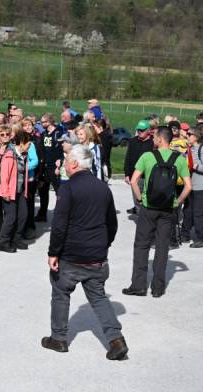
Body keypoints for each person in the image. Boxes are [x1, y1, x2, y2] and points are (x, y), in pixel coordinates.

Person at [42, 144, 127, 360]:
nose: (65, 165)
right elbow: (112, 224)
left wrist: (53, 253)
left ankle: (59, 338)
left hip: (71, 255)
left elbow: (59, 225)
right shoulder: (103, 188)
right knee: (98, 297)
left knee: (60, 293)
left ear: (74, 163)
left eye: (68, 160)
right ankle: (116, 339)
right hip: (96, 256)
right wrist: (104, 245)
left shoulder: (68, 188)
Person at [123, 126, 192, 298]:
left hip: (148, 207)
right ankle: (158, 288)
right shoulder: (179, 159)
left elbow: (133, 181)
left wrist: (139, 199)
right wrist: (178, 201)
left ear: (160, 139)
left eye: (155, 137)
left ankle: (138, 286)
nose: (153, 140)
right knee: (162, 247)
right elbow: (189, 187)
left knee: (141, 246)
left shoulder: (147, 156)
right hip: (168, 209)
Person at [0, 124, 31, 253]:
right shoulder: (10, 154)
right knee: (11, 217)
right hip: (9, 191)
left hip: (20, 190)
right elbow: (4, 175)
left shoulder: (23, 155)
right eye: (28, 144)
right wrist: (5, 192)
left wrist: (26, 191)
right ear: (22, 143)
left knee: (22, 215)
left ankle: (16, 238)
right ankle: (3, 242)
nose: (30, 146)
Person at [180, 128, 203, 247]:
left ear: (196, 136)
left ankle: (201, 239)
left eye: (189, 134)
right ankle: (185, 235)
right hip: (190, 186)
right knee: (187, 211)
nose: (186, 135)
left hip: (201, 186)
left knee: (197, 213)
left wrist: (194, 166)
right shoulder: (190, 149)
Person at [34, 114, 63, 222]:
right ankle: (42, 214)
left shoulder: (58, 134)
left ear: (50, 122)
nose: (41, 124)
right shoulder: (43, 134)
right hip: (44, 168)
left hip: (54, 168)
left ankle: (60, 214)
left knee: (59, 191)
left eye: (43, 122)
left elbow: (61, 150)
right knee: (43, 192)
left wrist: (60, 164)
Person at [123, 120, 155, 215]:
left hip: (147, 176)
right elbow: (128, 158)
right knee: (137, 200)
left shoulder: (152, 143)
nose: (140, 131)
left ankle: (147, 218)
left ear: (148, 130)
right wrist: (127, 174)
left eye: (142, 130)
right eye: (138, 130)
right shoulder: (132, 141)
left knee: (147, 200)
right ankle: (140, 219)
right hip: (134, 176)